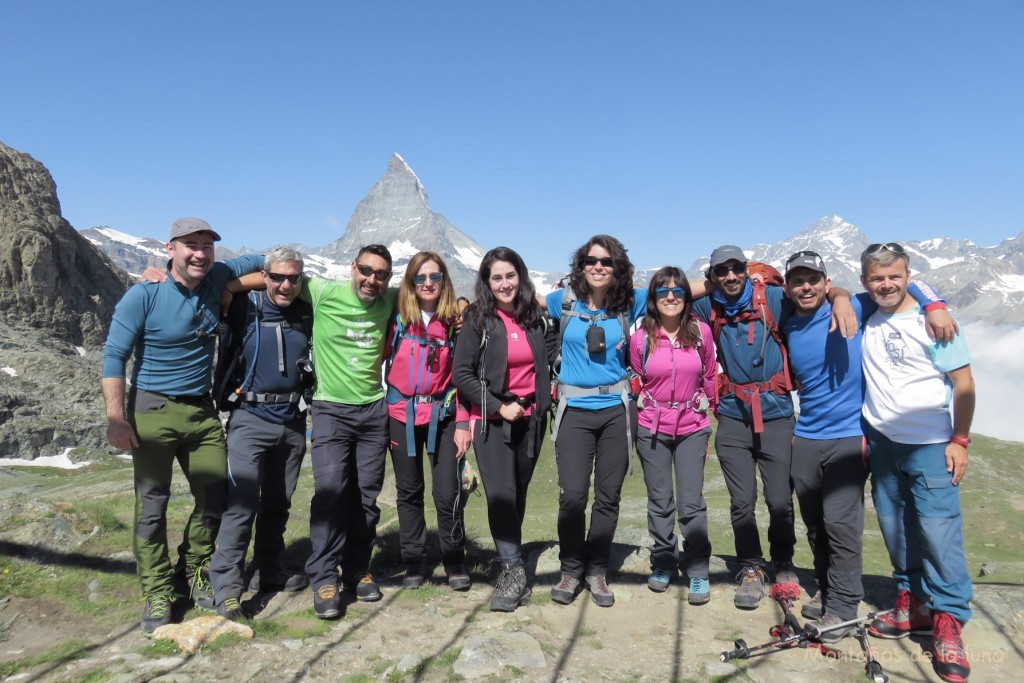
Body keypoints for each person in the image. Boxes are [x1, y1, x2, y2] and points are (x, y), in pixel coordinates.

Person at [101, 217, 263, 636]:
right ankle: (156, 590)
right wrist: (116, 419)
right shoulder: (144, 294)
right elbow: (114, 357)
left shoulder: (218, 276)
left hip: (202, 412)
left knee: (216, 497)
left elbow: (269, 259)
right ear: (170, 248)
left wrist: (286, 274)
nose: (200, 253)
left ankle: (190, 570)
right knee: (152, 505)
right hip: (152, 409)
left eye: (207, 246)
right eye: (190, 245)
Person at [782, 249, 955, 642]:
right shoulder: (788, 321)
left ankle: (842, 608)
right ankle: (828, 588)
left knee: (841, 525)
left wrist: (937, 305)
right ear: (788, 288)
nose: (806, 287)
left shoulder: (855, 305)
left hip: (849, 436)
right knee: (814, 525)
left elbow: (904, 283)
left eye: (814, 280)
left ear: (827, 283)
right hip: (806, 436)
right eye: (798, 281)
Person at [858, 243, 975, 683]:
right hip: (884, 442)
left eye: (895, 276)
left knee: (938, 531)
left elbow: (963, 383)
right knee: (895, 525)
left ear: (908, 275)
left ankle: (949, 619)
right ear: (866, 281)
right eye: (877, 278)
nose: (886, 284)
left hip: (930, 441)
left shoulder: (935, 322)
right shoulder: (869, 316)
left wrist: (960, 440)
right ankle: (914, 603)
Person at [689, 244, 802, 609]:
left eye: (736, 268)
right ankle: (751, 567)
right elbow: (669, 292)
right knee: (741, 502)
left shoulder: (771, 297)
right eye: (722, 271)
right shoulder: (711, 305)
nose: (731, 276)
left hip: (777, 413)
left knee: (780, 500)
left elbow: (820, 295)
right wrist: (709, 286)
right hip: (734, 416)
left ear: (746, 267)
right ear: (713, 276)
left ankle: (783, 562)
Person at [207, 246, 313, 620]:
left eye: (293, 278)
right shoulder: (243, 306)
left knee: (278, 505)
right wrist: (241, 283)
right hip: (250, 418)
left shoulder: (306, 307)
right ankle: (227, 589)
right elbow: (222, 281)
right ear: (265, 276)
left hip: (293, 421)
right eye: (277, 277)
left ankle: (269, 571)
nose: (286, 285)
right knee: (241, 506)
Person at [547, 235, 647, 608]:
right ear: (581, 265)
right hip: (573, 410)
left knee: (609, 496)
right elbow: (514, 303)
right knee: (572, 496)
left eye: (607, 261)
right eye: (591, 260)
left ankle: (596, 571)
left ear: (618, 267)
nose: (598, 266)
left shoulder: (630, 302)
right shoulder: (563, 301)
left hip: (615, 412)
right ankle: (570, 569)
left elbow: (682, 289)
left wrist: (743, 274)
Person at [453, 246, 552, 612]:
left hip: (531, 420)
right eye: (497, 277)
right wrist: (496, 405)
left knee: (520, 492)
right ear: (486, 281)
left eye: (510, 275)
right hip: (492, 421)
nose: (505, 283)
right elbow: (461, 373)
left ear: (520, 277)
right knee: (500, 494)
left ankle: (510, 558)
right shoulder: (478, 319)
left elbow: (549, 357)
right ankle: (512, 570)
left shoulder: (534, 318)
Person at [302, 244, 397, 619]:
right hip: (330, 410)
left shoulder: (390, 298)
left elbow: (436, 296)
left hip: (374, 411)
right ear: (352, 267)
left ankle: (358, 568)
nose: (371, 279)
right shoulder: (322, 291)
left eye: (380, 274)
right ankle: (324, 576)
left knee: (366, 496)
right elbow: (271, 273)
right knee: (330, 492)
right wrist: (220, 285)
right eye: (365, 270)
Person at [629, 267, 717, 605]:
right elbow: (638, 377)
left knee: (692, 502)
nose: (670, 298)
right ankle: (664, 561)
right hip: (652, 427)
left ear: (686, 298)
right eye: (663, 292)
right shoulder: (641, 338)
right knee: (660, 500)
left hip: (692, 426)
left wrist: (710, 412)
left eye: (678, 292)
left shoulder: (701, 333)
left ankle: (697, 570)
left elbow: (709, 375)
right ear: (652, 299)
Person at [385, 251, 470, 591]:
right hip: (400, 414)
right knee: (408, 490)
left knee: (448, 490)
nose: (428, 283)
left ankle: (453, 558)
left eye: (435, 277)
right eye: (420, 278)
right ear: (410, 282)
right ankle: (414, 562)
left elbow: (464, 376)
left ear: (445, 281)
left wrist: (463, 422)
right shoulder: (398, 317)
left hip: (444, 415)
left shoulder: (457, 322)